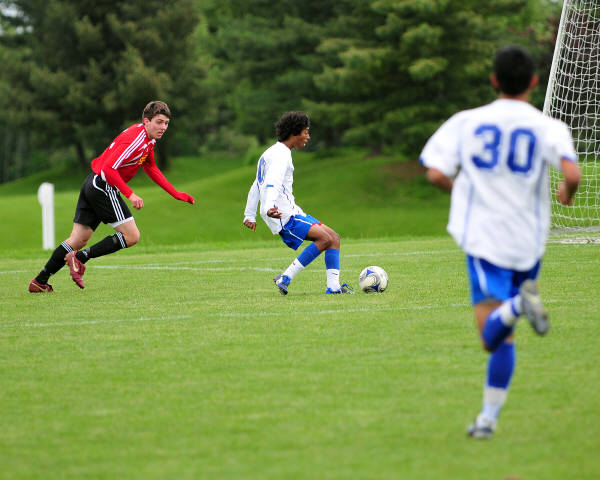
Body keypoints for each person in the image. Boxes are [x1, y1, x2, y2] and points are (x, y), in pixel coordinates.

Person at [419, 46, 581, 438]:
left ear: (493, 80)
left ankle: (520, 305)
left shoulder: (467, 121)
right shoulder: (548, 126)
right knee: (505, 333)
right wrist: (567, 192)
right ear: (533, 82)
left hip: (486, 238)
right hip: (529, 241)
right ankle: (487, 420)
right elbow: (573, 174)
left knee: (492, 337)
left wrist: (461, 191)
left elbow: (435, 173)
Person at [28, 100, 195, 292]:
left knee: (78, 239)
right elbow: (109, 169)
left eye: (166, 123)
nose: (163, 127)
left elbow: (151, 167)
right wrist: (130, 195)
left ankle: (40, 281)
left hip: (93, 183)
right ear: (146, 121)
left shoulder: (148, 140)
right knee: (132, 236)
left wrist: (175, 194)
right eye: (159, 122)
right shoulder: (136, 140)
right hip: (103, 186)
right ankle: (79, 258)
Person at [243, 111, 353, 295]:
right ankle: (285, 278)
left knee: (334, 238)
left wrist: (250, 214)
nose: (308, 137)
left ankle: (333, 287)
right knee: (325, 239)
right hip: (282, 214)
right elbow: (271, 183)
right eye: (306, 132)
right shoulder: (280, 155)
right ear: (294, 132)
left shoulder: (271, 152)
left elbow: (256, 185)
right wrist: (268, 207)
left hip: (291, 210)